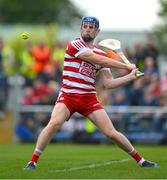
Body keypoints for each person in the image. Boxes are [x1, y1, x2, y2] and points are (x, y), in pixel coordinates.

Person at [25, 16, 159, 170]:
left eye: (91, 27)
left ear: (97, 31)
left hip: (89, 99)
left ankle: (141, 161)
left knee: (111, 133)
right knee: (54, 123)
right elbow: (98, 59)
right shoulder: (75, 45)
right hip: (68, 96)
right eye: (85, 26)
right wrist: (126, 66)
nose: (88, 29)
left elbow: (108, 84)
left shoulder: (101, 54)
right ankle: (33, 161)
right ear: (81, 28)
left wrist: (129, 77)